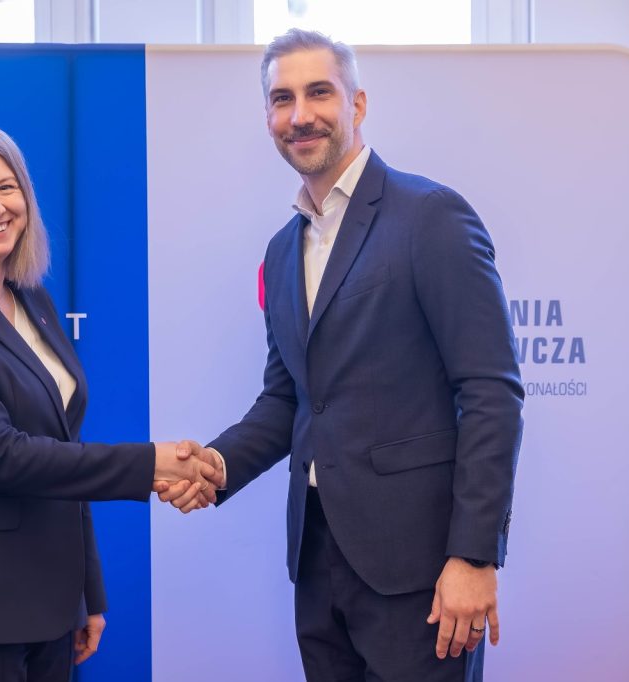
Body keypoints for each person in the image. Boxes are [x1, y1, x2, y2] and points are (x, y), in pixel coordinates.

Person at [158, 29, 524, 681]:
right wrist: (215, 465)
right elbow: (289, 400)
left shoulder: (430, 216)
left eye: (319, 93)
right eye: (282, 99)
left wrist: (474, 556)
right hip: (318, 562)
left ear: (357, 104)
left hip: (422, 572)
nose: (300, 115)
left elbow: (491, 393)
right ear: (268, 117)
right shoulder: (281, 250)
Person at [0, 121, 215, 682]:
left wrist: (86, 592)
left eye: (6, 187)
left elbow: (61, 447)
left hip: (49, 609)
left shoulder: (32, 299)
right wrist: (153, 462)